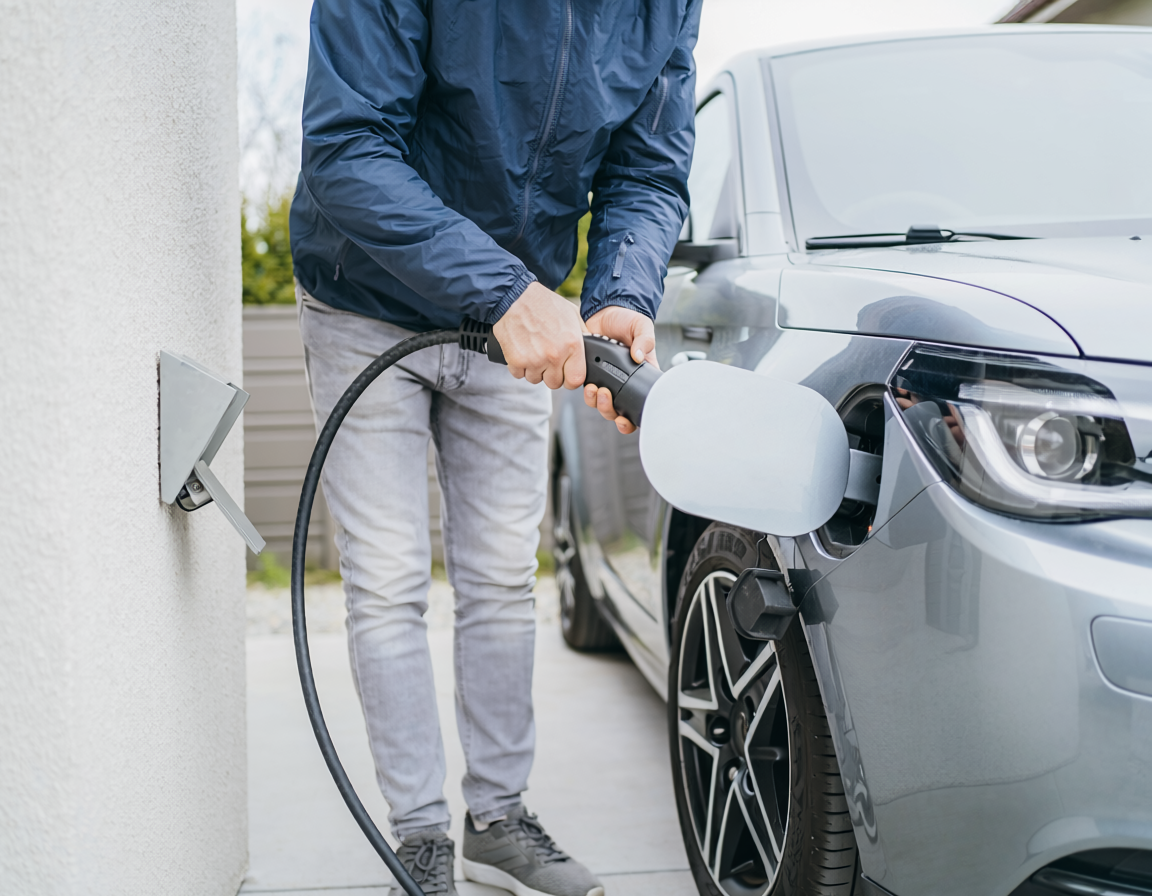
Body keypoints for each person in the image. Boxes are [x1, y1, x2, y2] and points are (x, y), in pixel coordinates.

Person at [290, 2, 699, 894]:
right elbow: (347, 147)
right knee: (388, 578)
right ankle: (420, 836)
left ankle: (499, 820)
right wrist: (505, 290)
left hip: (519, 323)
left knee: (505, 577)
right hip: (366, 300)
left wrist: (621, 290)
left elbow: (648, 168)